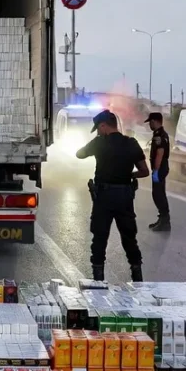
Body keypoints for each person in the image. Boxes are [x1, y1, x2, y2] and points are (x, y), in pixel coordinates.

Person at [76, 110, 150, 282]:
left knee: (100, 238)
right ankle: (137, 277)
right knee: (129, 238)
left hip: (104, 197)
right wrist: (129, 175)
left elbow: (79, 154)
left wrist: (96, 144)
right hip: (125, 196)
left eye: (98, 129)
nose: (98, 132)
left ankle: (98, 279)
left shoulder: (99, 143)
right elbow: (144, 171)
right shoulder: (131, 143)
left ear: (104, 126)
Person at [145, 112, 171, 231]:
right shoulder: (158, 134)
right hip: (161, 168)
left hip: (160, 168)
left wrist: (156, 170)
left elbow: (159, 154)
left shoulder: (160, 135)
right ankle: (162, 219)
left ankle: (165, 221)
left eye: (150, 122)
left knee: (158, 194)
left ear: (154, 121)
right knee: (158, 194)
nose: (149, 124)